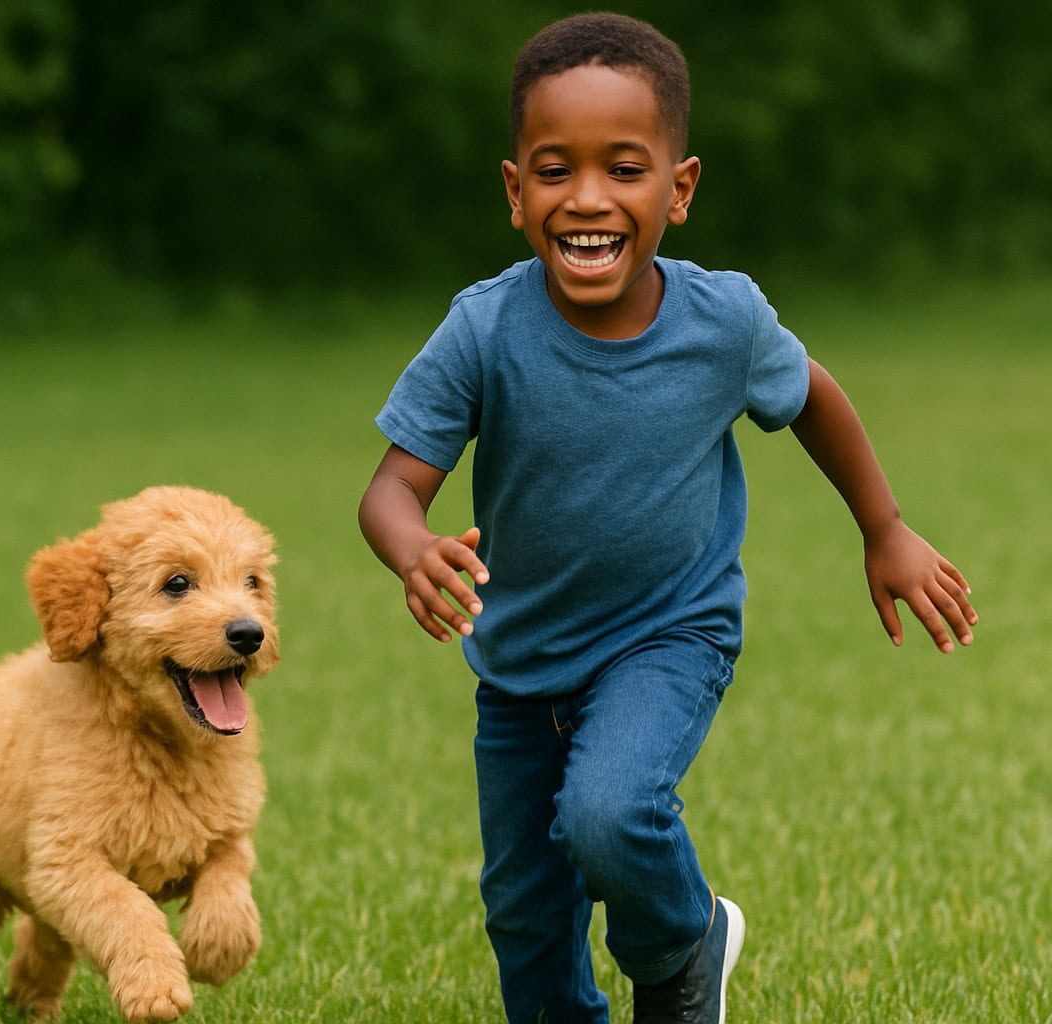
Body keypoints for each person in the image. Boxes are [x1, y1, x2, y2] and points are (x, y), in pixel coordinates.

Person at [358, 12, 977, 1023]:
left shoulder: (722, 322)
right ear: (515, 192)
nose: (587, 198)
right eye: (554, 170)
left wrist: (885, 527)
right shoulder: (484, 329)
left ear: (678, 190)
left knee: (609, 813)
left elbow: (812, 394)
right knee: (524, 916)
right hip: (519, 667)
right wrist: (412, 548)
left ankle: (683, 946)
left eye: (624, 169)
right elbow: (390, 489)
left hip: (667, 635)